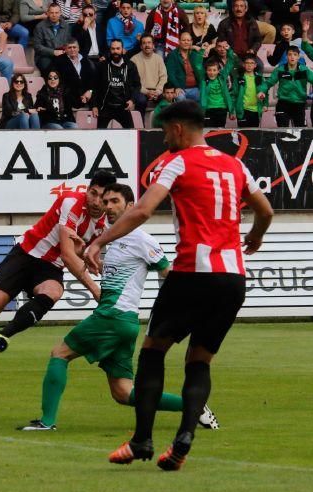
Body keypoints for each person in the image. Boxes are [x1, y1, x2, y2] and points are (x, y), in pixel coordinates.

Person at [85, 100, 274, 471]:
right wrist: (255, 235)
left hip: (191, 273)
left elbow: (140, 210)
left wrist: (99, 241)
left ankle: (141, 440)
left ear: (177, 129)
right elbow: (265, 210)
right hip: (233, 278)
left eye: (163, 132)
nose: (163, 139)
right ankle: (184, 438)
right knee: (199, 361)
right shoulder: (235, 165)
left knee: (153, 351)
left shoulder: (179, 162)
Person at [18, 183, 220, 432]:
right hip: (124, 321)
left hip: (113, 316)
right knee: (123, 393)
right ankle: (195, 405)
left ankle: (46, 422)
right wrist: (84, 254)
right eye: (106, 203)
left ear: (131, 206)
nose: (108, 207)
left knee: (59, 354)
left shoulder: (141, 238)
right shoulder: (113, 238)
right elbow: (115, 274)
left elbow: (168, 272)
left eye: (115, 202)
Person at [0, 170, 118, 380]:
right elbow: (67, 254)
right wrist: (95, 289)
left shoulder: (105, 225)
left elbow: (80, 252)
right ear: (87, 189)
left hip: (49, 266)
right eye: (92, 193)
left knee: (54, 291)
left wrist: (94, 262)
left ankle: (3, 335)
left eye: (101, 197)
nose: (95, 201)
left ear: (109, 199)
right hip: (26, 254)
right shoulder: (71, 202)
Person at [258, 46, 313, 127]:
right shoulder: (279, 70)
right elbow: (268, 83)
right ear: (286, 56)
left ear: (298, 57)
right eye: (290, 54)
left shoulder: (305, 70)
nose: (292, 57)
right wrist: (262, 91)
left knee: (300, 132)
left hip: (299, 105)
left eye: (295, 55)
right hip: (283, 104)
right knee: (282, 132)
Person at [92, 38, 139, 128]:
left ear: (122, 50)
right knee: (100, 135)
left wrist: (132, 100)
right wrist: (94, 106)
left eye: (118, 48)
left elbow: (137, 85)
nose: (115, 51)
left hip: (123, 107)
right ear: (110, 50)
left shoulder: (130, 66)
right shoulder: (102, 66)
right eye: (113, 49)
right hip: (105, 107)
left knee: (130, 133)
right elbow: (94, 87)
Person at [34, 2, 73, 75]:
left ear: (60, 13)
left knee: (68, 67)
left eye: (56, 12)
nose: (54, 15)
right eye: (52, 13)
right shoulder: (40, 27)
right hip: (44, 56)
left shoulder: (66, 26)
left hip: (61, 55)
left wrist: (65, 51)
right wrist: (53, 52)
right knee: (48, 68)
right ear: (48, 13)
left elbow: (68, 42)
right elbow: (37, 46)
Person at [55, 39, 95, 109]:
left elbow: (92, 79)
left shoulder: (85, 60)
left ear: (78, 48)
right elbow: (61, 82)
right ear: (65, 49)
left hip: (87, 93)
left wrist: (90, 91)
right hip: (70, 95)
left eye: (74, 47)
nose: (72, 49)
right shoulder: (59, 61)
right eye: (69, 47)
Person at [131, 33, 168, 109]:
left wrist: (158, 91)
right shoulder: (134, 60)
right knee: (141, 100)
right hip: (141, 90)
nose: (147, 45)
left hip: (156, 90)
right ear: (141, 46)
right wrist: (146, 92)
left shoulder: (159, 58)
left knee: (165, 100)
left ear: (153, 45)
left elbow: (163, 77)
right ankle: (140, 121)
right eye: (144, 43)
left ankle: (160, 121)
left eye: (149, 43)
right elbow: (133, 82)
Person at [165, 31, 202, 101]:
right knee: (180, 98)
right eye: (183, 40)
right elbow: (171, 74)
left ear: (191, 42)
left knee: (204, 96)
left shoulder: (195, 54)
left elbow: (200, 72)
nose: (186, 42)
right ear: (179, 41)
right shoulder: (172, 55)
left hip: (195, 88)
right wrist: (176, 87)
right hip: (181, 88)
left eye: (188, 40)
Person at [232, 52, 265, 127]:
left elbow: (265, 91)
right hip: (243, 110)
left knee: (254, 135)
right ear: (243, 65)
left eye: (252, 63)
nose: (249, 65)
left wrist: (265, 104)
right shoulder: (238, 79)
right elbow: (234, 95)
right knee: (243, 135)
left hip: (256, 111)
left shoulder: (260, 78)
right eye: (247, 63)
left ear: (255, 65)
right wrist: (232, 110)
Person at [199, 58, 233, 127]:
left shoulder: (222, 78)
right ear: (206, 71)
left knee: (220, 132)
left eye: (214, 70)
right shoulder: (204, 80)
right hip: (208, 109)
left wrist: (229, 50)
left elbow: (230, 64)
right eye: (209, 70)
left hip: (222, 109)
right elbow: (197, 65)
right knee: (208, 131)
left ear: (218, 71)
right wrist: (202, 51)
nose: (212, 73)